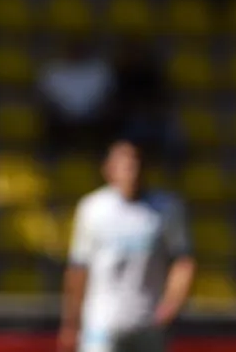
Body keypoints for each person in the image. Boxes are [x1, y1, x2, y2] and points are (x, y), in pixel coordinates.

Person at [59, 139, 196, 352]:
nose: (131, 171)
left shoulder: (167, 208)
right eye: (125, 165)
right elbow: (78, 268)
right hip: (101, 323)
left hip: (148, 322)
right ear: (109, 169)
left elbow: (183, 261)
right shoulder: (93, 209)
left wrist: (171, 303)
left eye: (136, 164)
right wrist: (71, 321)